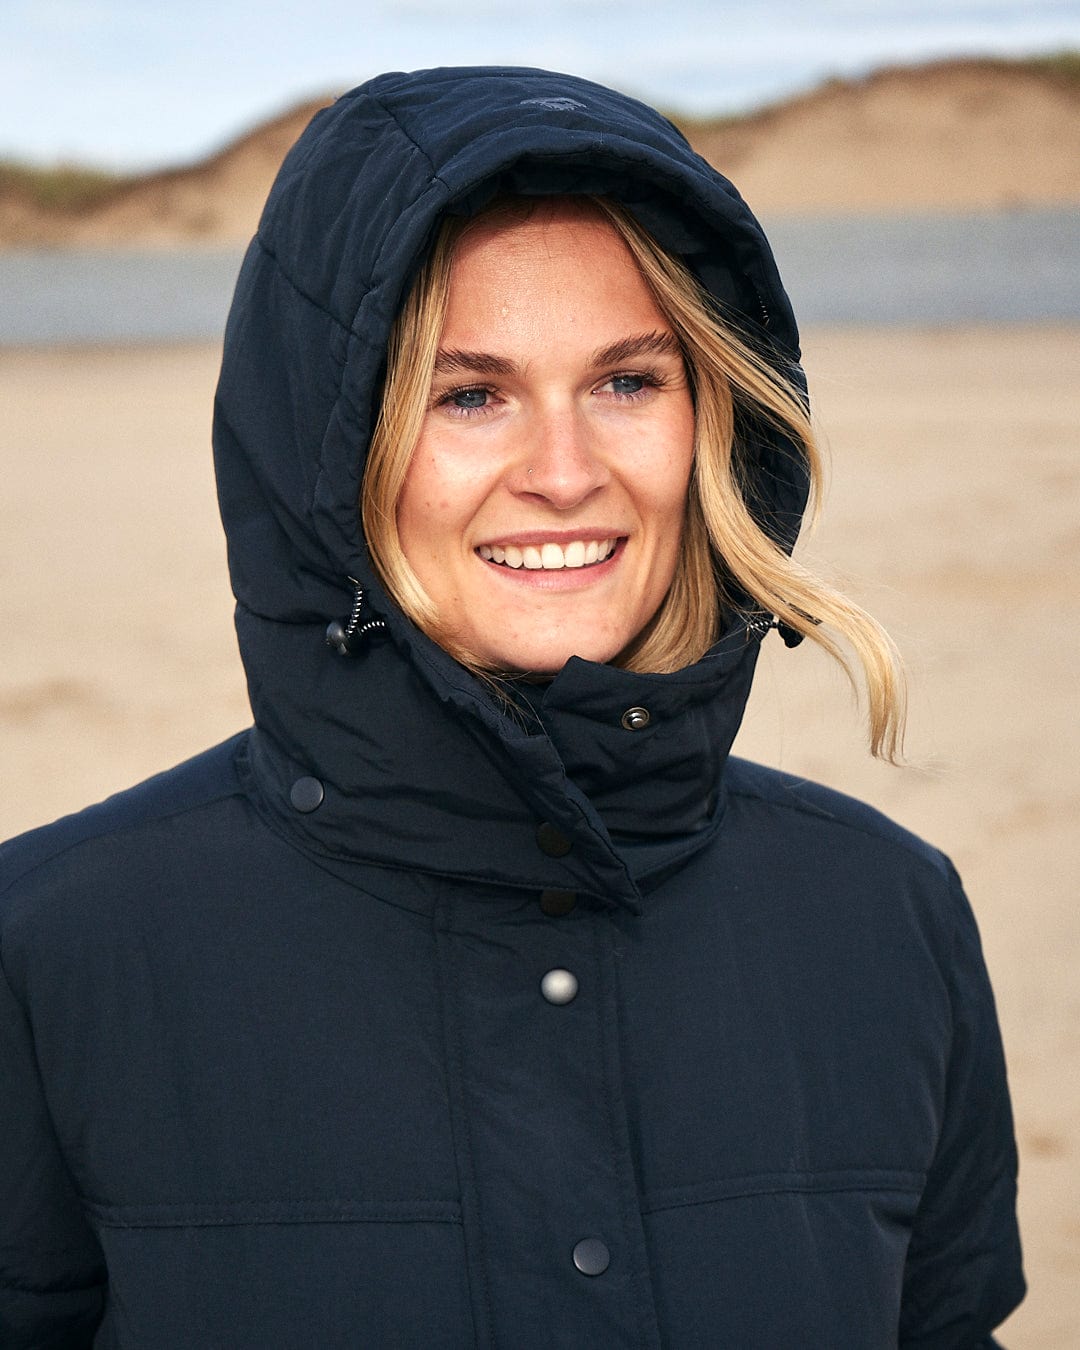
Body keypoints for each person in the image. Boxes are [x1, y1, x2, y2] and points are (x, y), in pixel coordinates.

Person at [0, 66, 1024, 1347]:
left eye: (628, 382)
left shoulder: (889, 916)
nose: (564, 472)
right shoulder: (54, 953)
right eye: (470, 393)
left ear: (716, 418)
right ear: (327, 449)